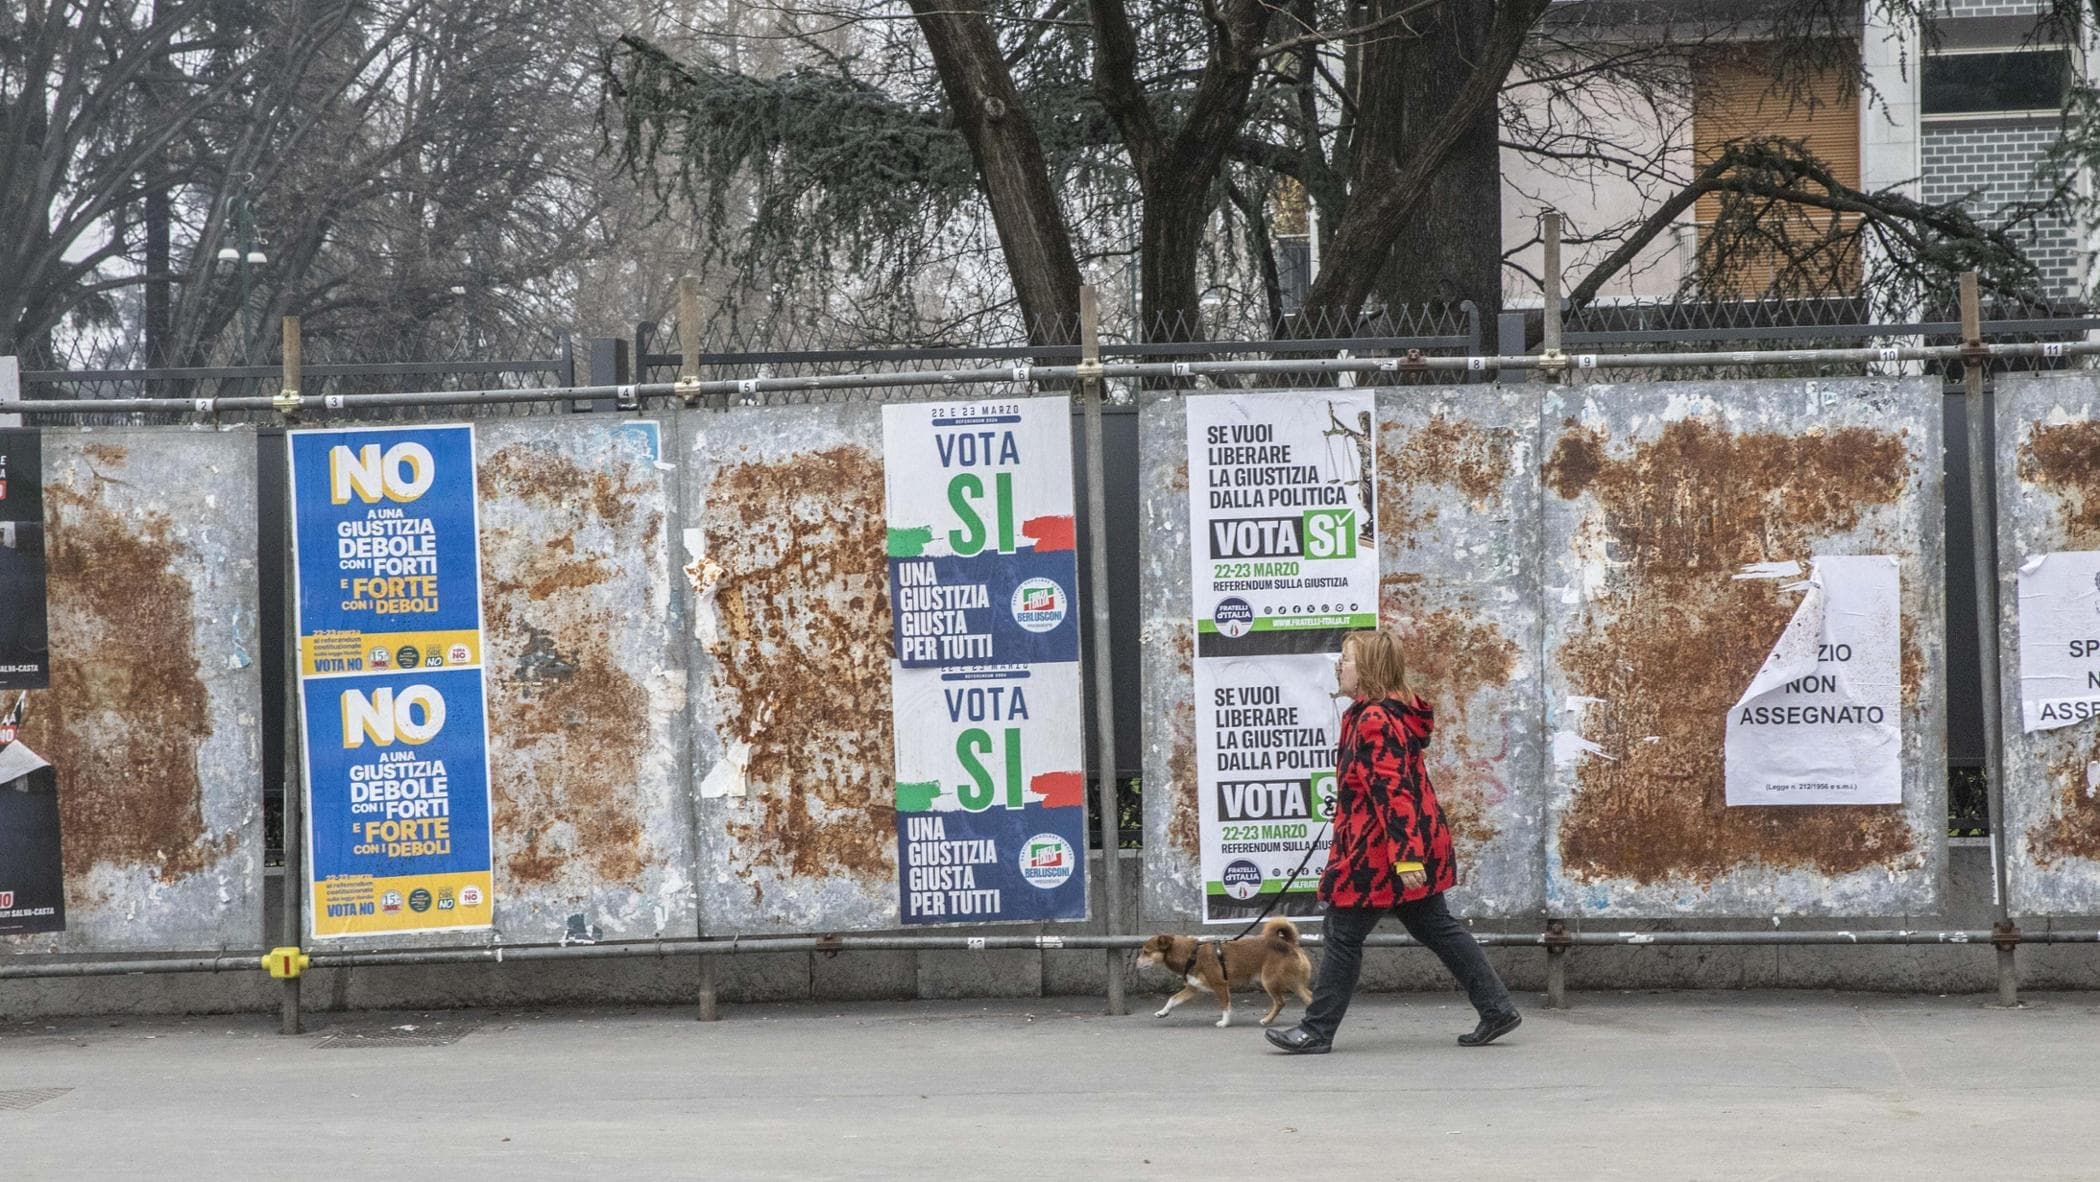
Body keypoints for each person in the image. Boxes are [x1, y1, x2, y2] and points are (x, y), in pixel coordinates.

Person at [1265, 629, 1521, 1054]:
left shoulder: (1375, 720)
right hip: (1391, 846)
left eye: (1345, 661)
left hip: (1381, 852)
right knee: (1437, 927)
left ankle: (1316, 1030)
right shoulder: (1372, 715)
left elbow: (1394, 793)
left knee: (1343, 934)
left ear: (1366, 671)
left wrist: (1405, 860)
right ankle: (1496, 1008)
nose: (1338, 668)